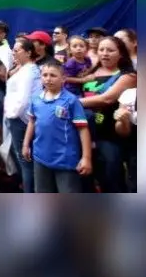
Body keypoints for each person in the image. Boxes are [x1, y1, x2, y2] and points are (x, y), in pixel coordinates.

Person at [22, 59, 91, 193]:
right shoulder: (36, 99)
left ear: (63, 78)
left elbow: (83, 129)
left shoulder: (71, 100)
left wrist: (86, 158)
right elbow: (32, 121)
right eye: (45, 75)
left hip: (65, 159)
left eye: (53, 75)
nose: (48, 79)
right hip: (40, 156)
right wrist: (25, 144)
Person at [81, 36, 137, 193]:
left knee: (112, 180)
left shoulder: (129, 76)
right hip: (86, 133)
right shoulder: (91, 72)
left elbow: (107, 99)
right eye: (101, 49)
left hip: (111, 136)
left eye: (110, 50)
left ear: (121, 54)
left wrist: (68, 102)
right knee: (87, 179)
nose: (105, 53)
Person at [3, 39, 37, 192]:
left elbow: (24, 99)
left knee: (25, 161)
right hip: (18, 117)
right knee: (24, 161)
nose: (13, 53)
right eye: (13, 50)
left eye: (17, 50)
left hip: (21, 119)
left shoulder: (29, 71)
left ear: (28, 52)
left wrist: (11, 114)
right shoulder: (23, 69)